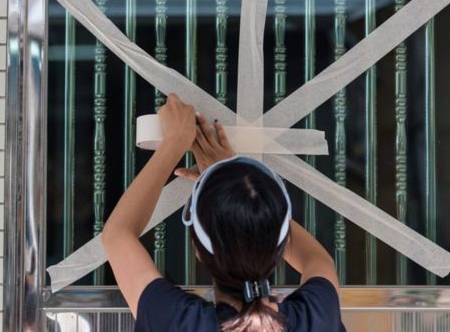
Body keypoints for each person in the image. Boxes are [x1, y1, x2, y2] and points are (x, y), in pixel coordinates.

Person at [101, 94, 346, 331]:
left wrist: (176, 141)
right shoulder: (317, 316)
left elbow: (117, 235)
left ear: (198, 250)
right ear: (281, 246)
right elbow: (318, 259)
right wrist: (232, 177)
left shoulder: (176, 321)